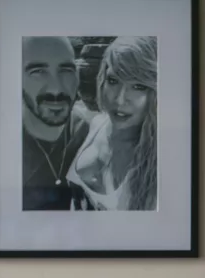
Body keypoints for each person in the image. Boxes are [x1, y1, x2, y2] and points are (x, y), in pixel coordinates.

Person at [67, 36, 158, 212]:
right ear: (102, 79)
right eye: (113, 80)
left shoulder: (157, 162)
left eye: (138, 86)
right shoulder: (96, 124)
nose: (120, 99)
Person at [22, 37, 90, 211]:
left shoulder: (93, 133)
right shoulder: (3, 149)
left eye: (66, 71)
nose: (56, 88)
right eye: (38, 72)